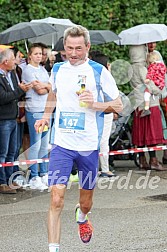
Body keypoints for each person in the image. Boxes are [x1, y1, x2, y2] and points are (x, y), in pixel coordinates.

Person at [34, 25, 123, 252]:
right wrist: (46, 116)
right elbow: (53, 94)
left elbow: (119, 106)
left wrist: (95, 104)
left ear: (88, 47)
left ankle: (82, 216)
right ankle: (53, 248)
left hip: (87, 147)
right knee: (56, 199)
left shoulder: (99, 72)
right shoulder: (57, 69)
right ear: (64, 47)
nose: (73, 53)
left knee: (86, 202)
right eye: (69, 48)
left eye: (79, 49)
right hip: (62, 144)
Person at [129, 44, 167, 171]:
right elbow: (150, 84)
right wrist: (159, 90)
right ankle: (153, 160)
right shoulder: (142, 68)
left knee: (140, 132)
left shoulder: (131, 67)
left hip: (138, 103)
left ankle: (142, 159)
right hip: (150, 103)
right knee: (151, 132)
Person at [0, 48, 32, 194]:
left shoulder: (12, 74)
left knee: (12, 152)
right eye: (14, 58)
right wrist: (21, 90)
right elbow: (4, 97)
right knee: (3, 152)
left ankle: (9, 179)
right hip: (3, 119)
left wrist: (22, 89)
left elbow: (13, 94)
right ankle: (2, 182)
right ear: (5, 62)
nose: (16, 61)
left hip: (13, 118)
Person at [22, 43, 51, 190]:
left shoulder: (43, 70)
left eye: (41, 53)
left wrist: (45, 86)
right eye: (36, 54)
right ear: (30, 56)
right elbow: (40, 90)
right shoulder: (28, 70)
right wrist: (46, 86)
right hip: (35, 109)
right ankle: (34, 176)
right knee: (36, 143)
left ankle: (44, 173)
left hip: (46, 110)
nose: (39, 56)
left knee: (45, 144)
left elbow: (52, 87)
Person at [89, 50, 115, 177]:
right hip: (104, 111)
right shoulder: (105, 77)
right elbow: (112, 98)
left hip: (94, 111)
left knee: (95, 139)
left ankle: (96, 168)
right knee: (103, 140)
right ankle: (105, 168)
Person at [140, 51, 166, 117]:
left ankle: (146, 108)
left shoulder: (152, 66)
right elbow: (164, 72)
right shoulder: (162, 66)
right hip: (161, 85)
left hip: (155, 83)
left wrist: (147, 79)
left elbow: (150, 73)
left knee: (146, 93)